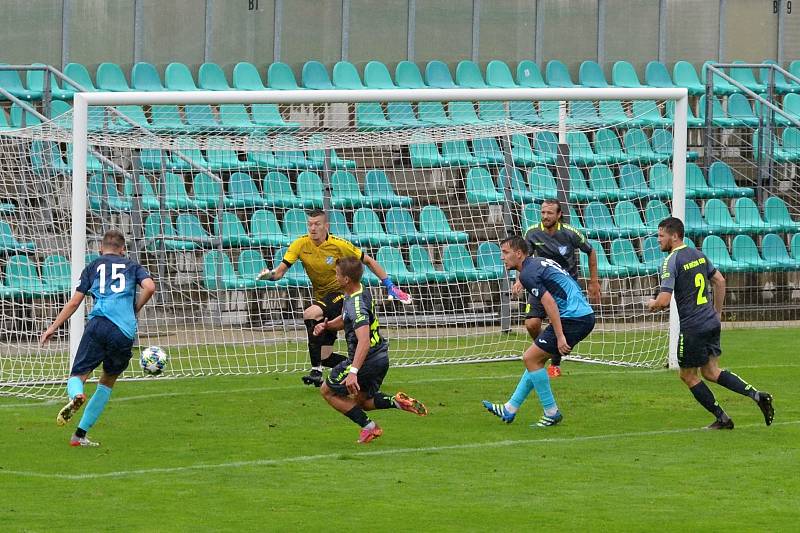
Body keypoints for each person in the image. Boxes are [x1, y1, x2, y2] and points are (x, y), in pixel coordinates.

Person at [258, 209, 411, 387]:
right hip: (322, 299)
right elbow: (280, 272)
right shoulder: (300, 244)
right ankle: (359, 366)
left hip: (341, 296)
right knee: (326, 356)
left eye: (317, 224)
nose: (313, 228)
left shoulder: (339, 245)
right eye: (310, 224)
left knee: (310, 313)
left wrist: (389, 285)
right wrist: (269, 276)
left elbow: (368, 261)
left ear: (326, 226)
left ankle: (316, 370)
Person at [647, 217, 774, 429]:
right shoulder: (698, 254)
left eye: (661, 236)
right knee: (711, 372)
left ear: (674, 236)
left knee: (687, 375)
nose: (658, 240)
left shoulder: (672, 260)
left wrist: (651, 304)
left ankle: (722, 418)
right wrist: (717, 313)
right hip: (710, 321)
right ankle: (757, 395)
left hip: (693, 328)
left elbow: (664, 301)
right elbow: (720, 281)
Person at [40, 229, 156, 447]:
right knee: (107, 381)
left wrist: (53, 327)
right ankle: (79, 435)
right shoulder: (132, 266)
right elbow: (150, 287)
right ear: (123, 250)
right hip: (123, 331)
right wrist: (136, 308)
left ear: (100, 249)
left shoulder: (93, 267)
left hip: (98, 325)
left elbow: (75, 302)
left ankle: (76, 395)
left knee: (78, 375)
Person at [483, 236, 595, 427]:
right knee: (535, 359)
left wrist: (560, 336)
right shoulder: (533, 264)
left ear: (518, 254)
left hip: (574, 318)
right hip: (581, 314)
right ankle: (510, 408)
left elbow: (549, 302)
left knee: (530, 358)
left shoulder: (527, 274)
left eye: (505, 252)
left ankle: (551, 412)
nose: (502, 257)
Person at [314, 257, 427, 443]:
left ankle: (370, 428)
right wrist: (327, 326)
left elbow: (364, 341)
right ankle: (396, 402)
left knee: (327, 391)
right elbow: (345, 320)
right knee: (362, 402)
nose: (335, 277)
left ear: (346, 279)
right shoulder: (358, 291)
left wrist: (353, 372)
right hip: (381, 357)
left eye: (337, 274)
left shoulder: (355, 305)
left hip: (366, 359)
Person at [513, 199, 600, 378]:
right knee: (532, 323)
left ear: (559, 215)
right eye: (543, 212)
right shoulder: (532, 233)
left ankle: (554, 362)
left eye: (550, 213)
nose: (545, 216)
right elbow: (523, 258)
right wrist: (520, 280)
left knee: (558, 323)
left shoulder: (570, 233)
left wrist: (594, 281)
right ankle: (545, 351)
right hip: (539, 282)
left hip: (564, 288)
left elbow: (591, 251)